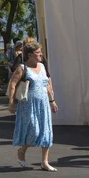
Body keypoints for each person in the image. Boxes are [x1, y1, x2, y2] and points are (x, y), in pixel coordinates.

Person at [9, 42, 58, 171]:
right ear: (30, 55)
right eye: (38, 53)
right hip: (28, 105)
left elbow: (48, 84)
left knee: (46, 132)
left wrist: (52, 101)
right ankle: (22, 150)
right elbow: (13, 84)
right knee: (34, 131)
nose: (41, 54)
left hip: (43, 104)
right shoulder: (22, 68)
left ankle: (44, 162)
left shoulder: (42, 66)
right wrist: (11, 102)